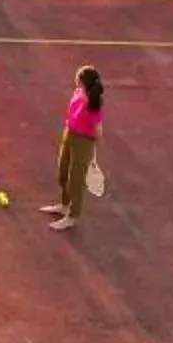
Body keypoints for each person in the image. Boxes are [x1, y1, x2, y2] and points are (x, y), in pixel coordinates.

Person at [45, 65, 105, 231]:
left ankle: (72, 215)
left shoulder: (93, 104)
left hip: (83, 141)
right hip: (69, 133)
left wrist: (92, 149)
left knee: (76, 180)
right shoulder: (78, 93)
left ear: (83, 81)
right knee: (63, 171)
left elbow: (98, 131)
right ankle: (64, 204)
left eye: (78, 76)